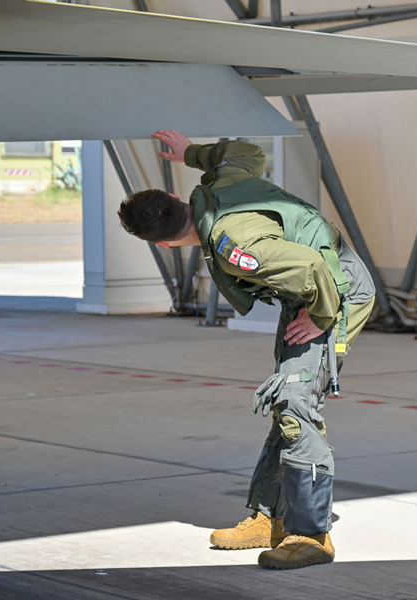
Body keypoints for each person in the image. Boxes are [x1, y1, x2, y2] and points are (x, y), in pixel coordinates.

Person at [117, 130, 375, 570]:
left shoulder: (232, 245)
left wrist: (321, 315)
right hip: (307, 293)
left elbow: (312, 266)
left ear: (162, 244)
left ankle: (311, 535)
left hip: (334, 291)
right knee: (284, 401)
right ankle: (269, 516)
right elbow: (246, 151)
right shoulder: (223, 181)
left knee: (296, 404)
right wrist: (193, 153)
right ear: (180, 199)